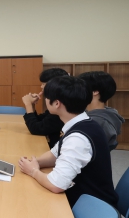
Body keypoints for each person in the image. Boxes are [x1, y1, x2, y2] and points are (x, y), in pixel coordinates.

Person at [18, 76, 118, 208]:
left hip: (90, 207)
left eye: (47, 97)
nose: (45, 100)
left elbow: (56, 184)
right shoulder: (83, 123)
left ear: (57, 103)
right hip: (83, 197)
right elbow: (55, 154)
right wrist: (35, 162)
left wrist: (33, 171)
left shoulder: (78, 138)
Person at [22, 68, 69, 148]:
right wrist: (32, 105)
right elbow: (40, 121)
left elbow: (36, 129)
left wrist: (28, 105)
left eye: (44, 84)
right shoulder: (59, 102)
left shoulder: (61, 107)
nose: (41, 86)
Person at [78, 71, 124, 150]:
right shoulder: (105, 114)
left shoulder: (98, 121)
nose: (76, 90)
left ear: (95, 92)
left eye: (80, 87)